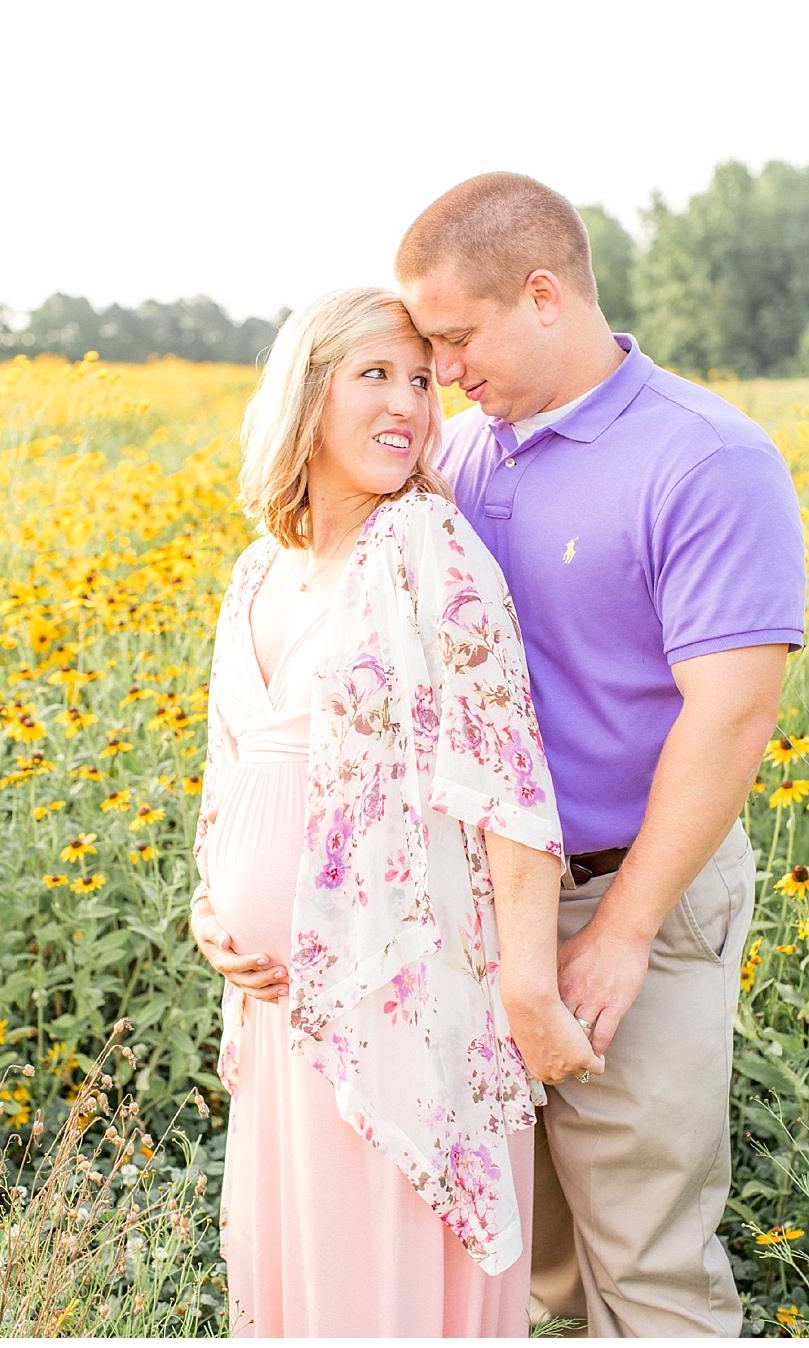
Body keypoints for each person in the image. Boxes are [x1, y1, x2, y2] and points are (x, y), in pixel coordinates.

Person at [397, 171, 807, 1338]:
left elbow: (730, 715)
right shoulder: (465, 456)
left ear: (542, 295)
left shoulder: (705, 458)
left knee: (648, 1259)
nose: (444, 368)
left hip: (636, 894)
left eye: (457, 336)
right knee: (533, 1267)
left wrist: (623, 928)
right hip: (484, 907)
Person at [190, 286, 603, 1337]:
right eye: (375, 373)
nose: (409, 405)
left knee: (384, 1301)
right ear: (305, 390)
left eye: (423, 380)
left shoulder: (428, 545)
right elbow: (228, 771)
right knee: (298, 1295)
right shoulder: (258, 569)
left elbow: (508, 780)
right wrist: (212, 909)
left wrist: (526, 987)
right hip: (283, 1013)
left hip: (396, 1006)